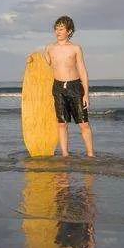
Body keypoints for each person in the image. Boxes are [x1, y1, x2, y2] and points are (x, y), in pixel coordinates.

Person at [44, 15, 95, 158]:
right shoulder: (49, 48)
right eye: (56, 28)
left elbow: (83, 71)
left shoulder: (75, 48)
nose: (58, 31)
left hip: (75, 87)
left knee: (83, 123)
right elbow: (43, 67)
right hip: (58, 88)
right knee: (62, 124)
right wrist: (32, 60)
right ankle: (65, 155)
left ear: (69, 31)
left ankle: (91, 155)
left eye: (61, 28)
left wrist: (86, 94)